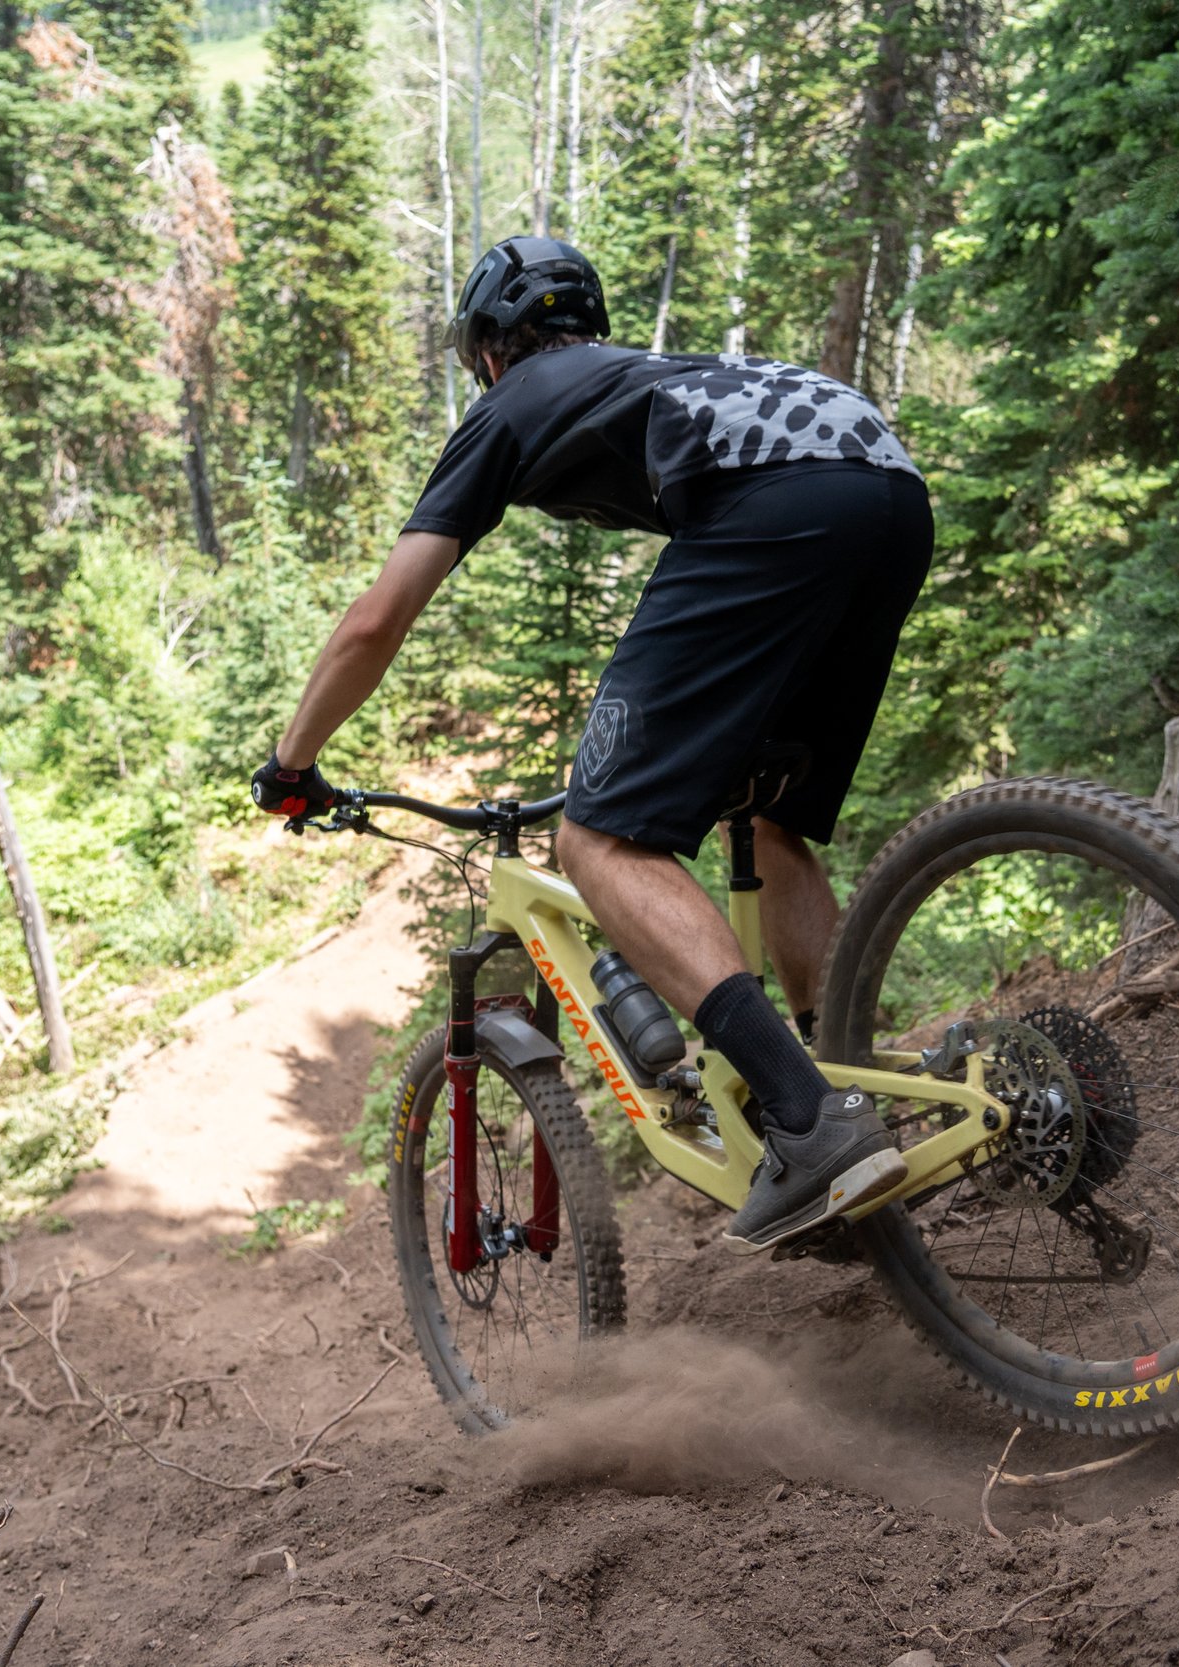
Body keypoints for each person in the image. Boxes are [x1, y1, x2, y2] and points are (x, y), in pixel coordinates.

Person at [253, 235, 933, 1252]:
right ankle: (858, 1093)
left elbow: (376, 619)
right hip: (885, 481)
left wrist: (292, 764)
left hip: (775, 503)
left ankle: (811, 1117)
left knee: (599, 840)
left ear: (489, 348)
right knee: (768, 817)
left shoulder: (508, 406)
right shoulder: (642, 373)